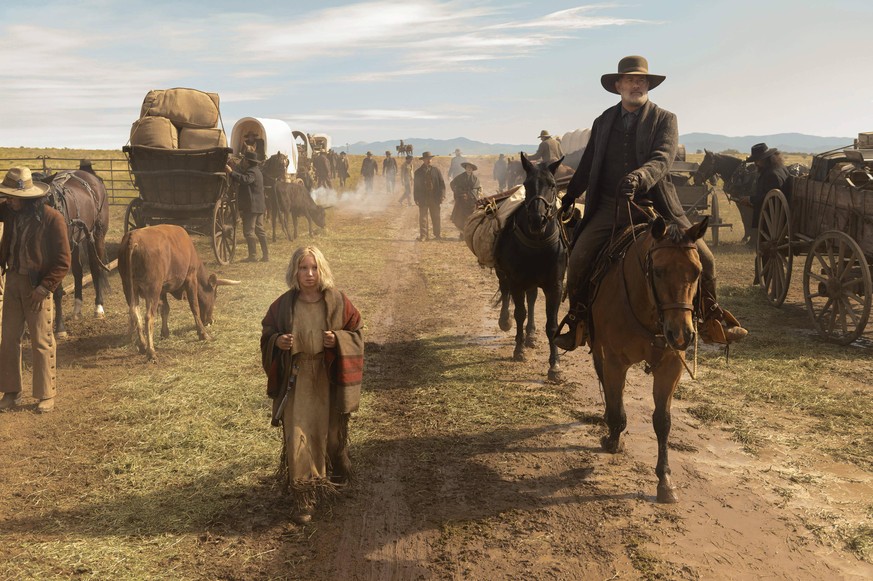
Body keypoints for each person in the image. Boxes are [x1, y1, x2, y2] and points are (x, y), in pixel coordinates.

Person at [555, 55, 747, 351]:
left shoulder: (665, 119)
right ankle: (578, 318)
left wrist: (639, 178)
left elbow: (662, 158)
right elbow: (589, 162)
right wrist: (570, 194)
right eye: (631, 80)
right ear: (618, 85)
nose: (637, 85)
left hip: (656, 204)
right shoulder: (603, 121)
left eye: (642, 80)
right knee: (579, 256)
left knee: (705, 258)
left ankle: (711, 319)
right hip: (609, 206)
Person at [260, 246, 364, 524]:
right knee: (299, 436)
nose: (309, 274)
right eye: (303, 268)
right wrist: (278, 342)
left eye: (314, 268)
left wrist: (339, 340)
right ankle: (305, 497)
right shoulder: (283, 305)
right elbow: (267, 334)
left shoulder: (339, 302)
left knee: (330, 435)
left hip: (328, 376)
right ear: (294, 271)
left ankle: (336, 474)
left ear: (322, 270)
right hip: (297, 378)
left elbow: (357, 333)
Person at [0, 167, 72, 413]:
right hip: (12, 281)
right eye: (6, 196)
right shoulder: (10, 213)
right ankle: (11, 392)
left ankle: (46, 394)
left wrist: (44, 287)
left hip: (37, 286)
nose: (7, 200)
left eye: (11, 196)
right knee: (9, 339)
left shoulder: (52, 219)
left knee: (41, 341)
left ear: (28, 197)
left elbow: (63, 261)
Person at [744, 143, 791, 246]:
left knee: (764, 247)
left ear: (766, 159)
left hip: (773, 218)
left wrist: (750, 200)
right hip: (779, 214)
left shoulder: (771, 175)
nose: (756, 163)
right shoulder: (781, 168)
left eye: (757, 160)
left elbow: (769, 197)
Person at [226, 150, 269, 262]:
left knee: (249, 231)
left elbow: (245, 180)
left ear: (247, 161)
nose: (243, 162)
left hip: (252, 206)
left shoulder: (251, 172)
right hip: (259, 206)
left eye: (244, 160)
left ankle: (253, 256)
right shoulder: (257, 171)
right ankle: (265, 256)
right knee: (259, 230)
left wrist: (231, 173)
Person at [413, 152, 446, 241]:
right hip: (423, 198)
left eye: (430, 159)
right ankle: (423, 236)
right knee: (423, 217)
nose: (429, 160)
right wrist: (416, 198)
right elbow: (416, 186)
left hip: (434, 197)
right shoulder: (418, 172)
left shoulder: (436, 170)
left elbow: (442, 184)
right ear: (423, 160)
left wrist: (442, 195)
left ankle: (437, 235)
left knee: (436, 216)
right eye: (427, 159)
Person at [450, 162, 482, 237]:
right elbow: (452, 184)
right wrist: (459, 193)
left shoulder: (475, 179)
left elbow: (477, 189)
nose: (469, 169)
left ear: (472, 169)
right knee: (461, 218)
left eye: (470, 168)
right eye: (467, 167)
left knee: (471, 218)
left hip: (471, 202)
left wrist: (470, 195)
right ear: (465, 168)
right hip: (462, 201)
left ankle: (469, 234)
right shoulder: (460, 177)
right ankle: (462, 234)